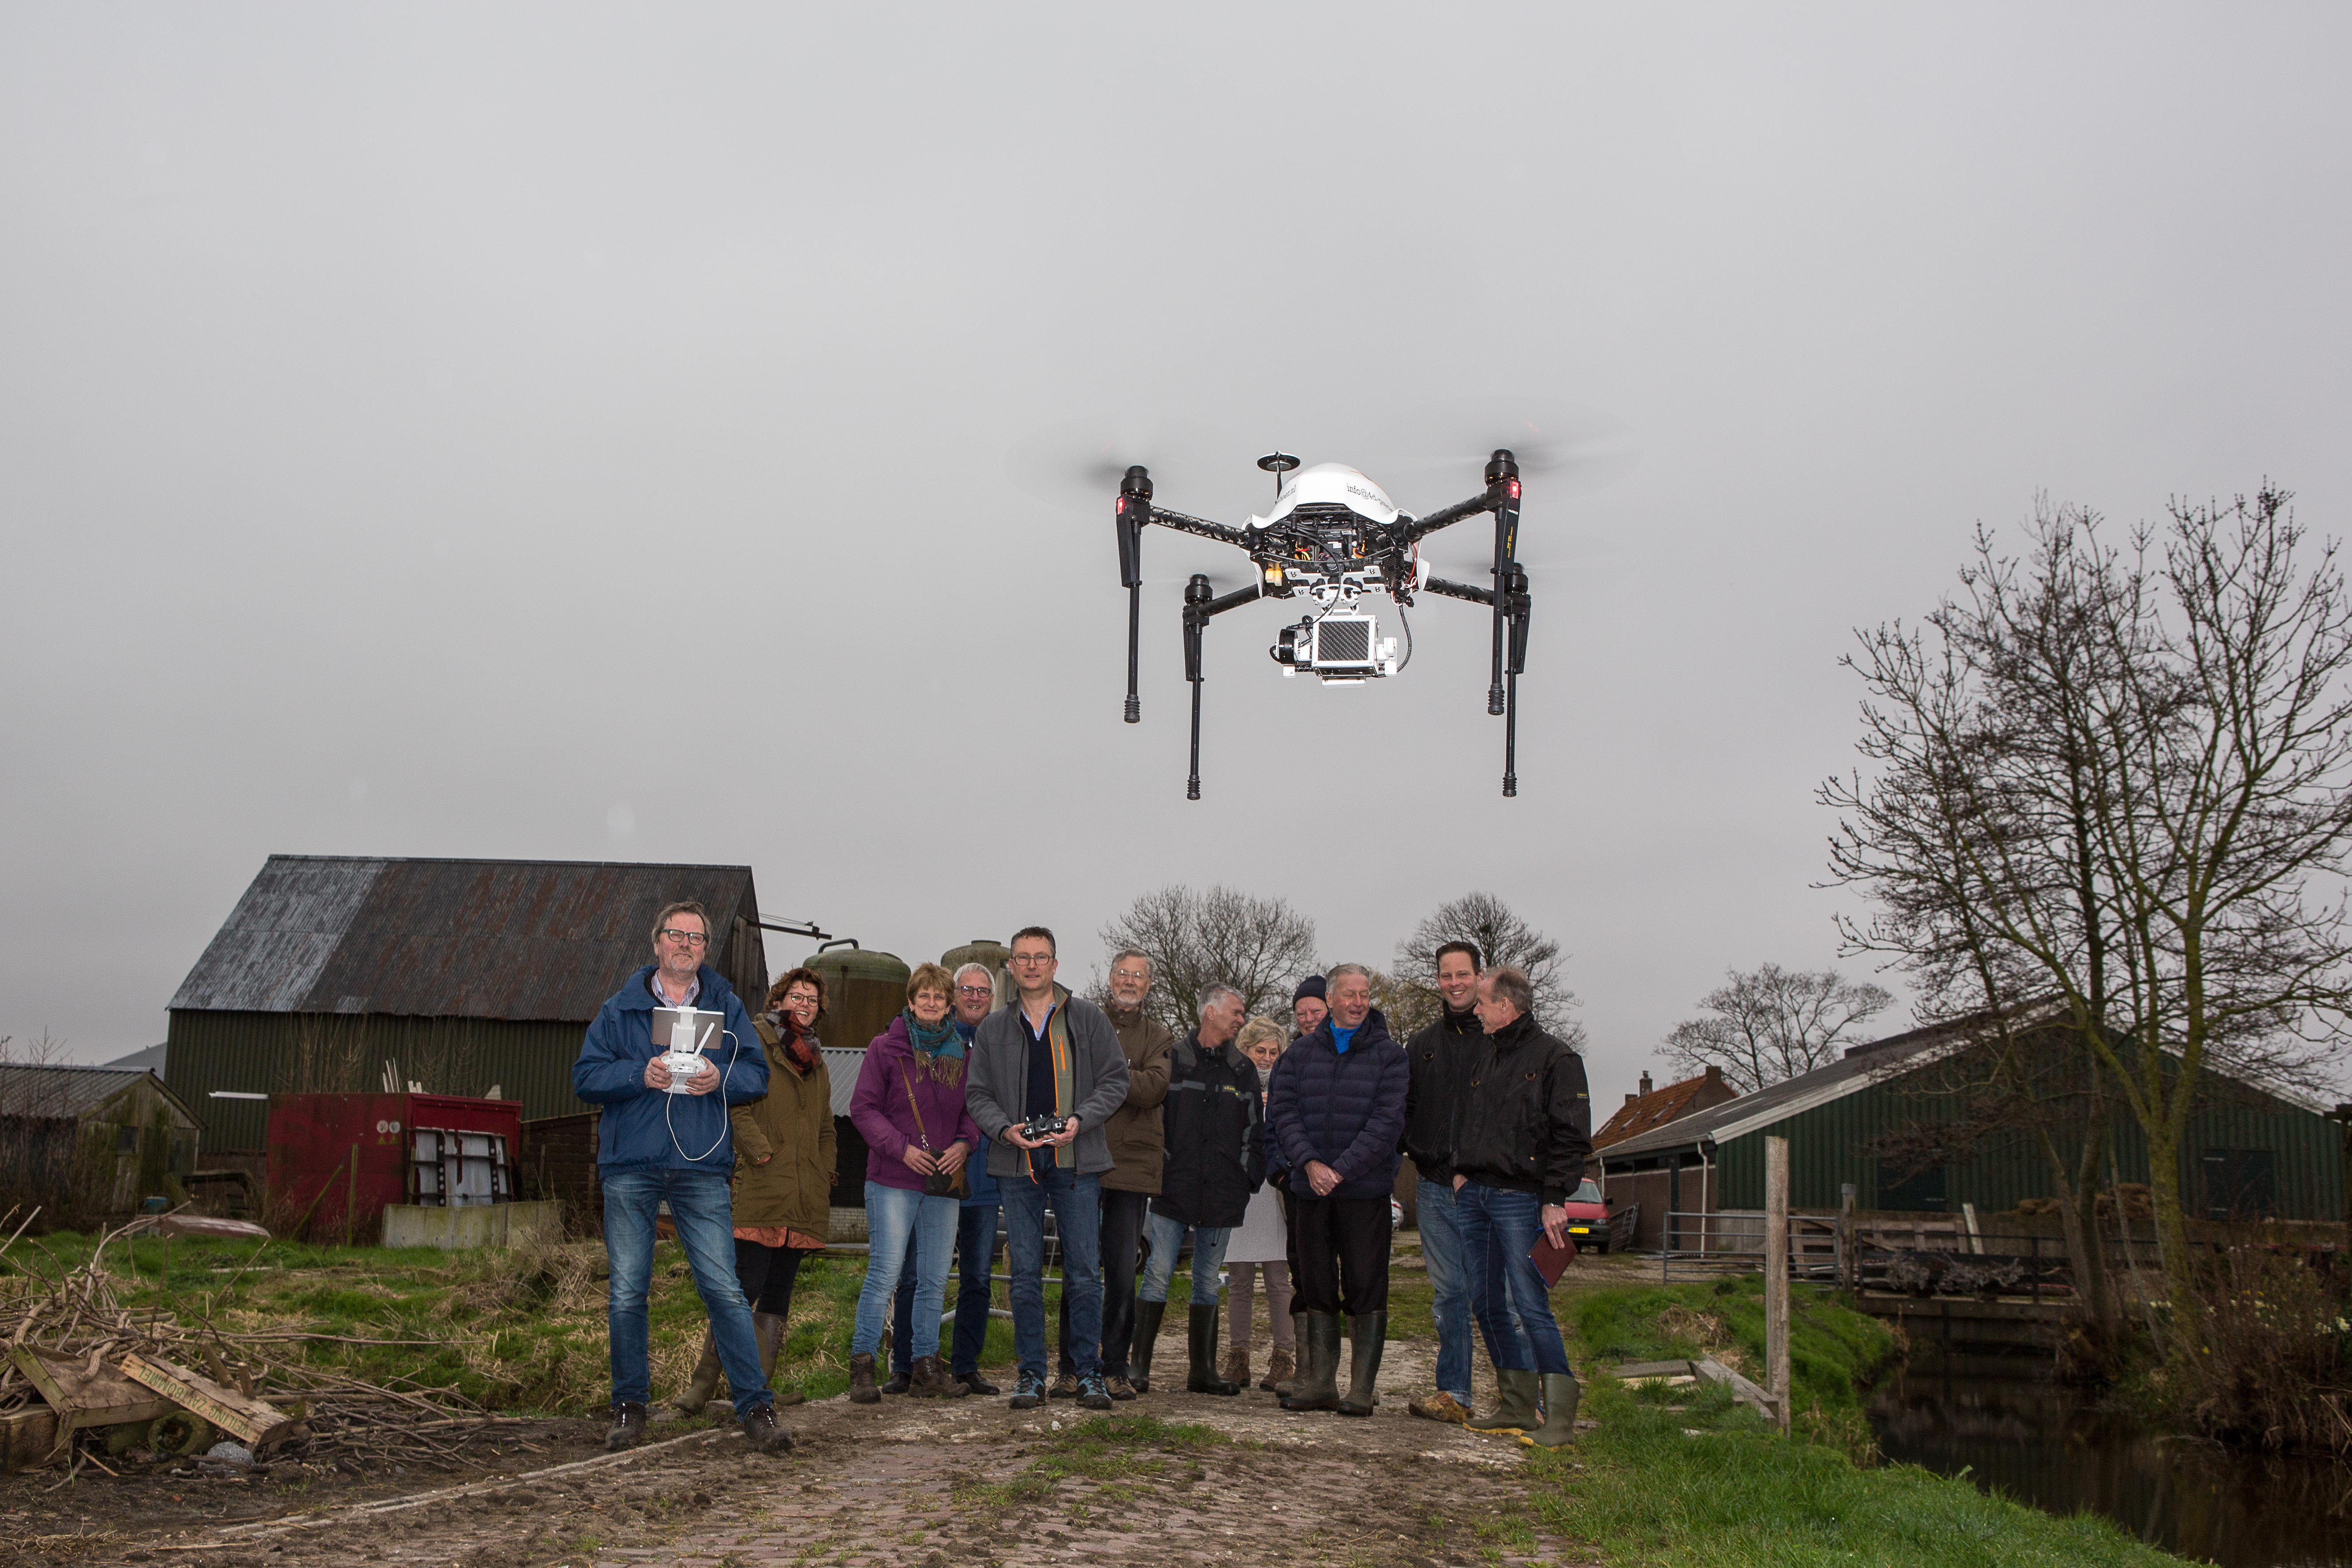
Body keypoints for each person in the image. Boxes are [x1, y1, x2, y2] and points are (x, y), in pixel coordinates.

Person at [571, 901, 791, 1453]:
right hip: (631, 1166)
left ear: (704, 949)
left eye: (696, 937)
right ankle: (629, 1406)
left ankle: (755, 1408)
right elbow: (585, 1077)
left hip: (700, 1165)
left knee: (723, 1288)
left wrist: (720, 1076)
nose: (685, 944)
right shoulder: (619, 1009)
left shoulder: (728, 1005)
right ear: (657, 943)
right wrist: (635, 1073)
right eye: (676, 934)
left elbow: (755, 1076)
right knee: (627, 1292)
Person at [965, 926, 1131, 1411]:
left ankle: (1086, 1374)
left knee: (1083, 1271)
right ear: (1011, 968)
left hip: (1076, 1160)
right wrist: (1003, 1129)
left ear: (1055, 965)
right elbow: (978, 1094)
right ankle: (1031, 1375)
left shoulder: (1087, 1018)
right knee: (1024, 1276)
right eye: (1022, 958)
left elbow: (1115, 1080)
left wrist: (1081, 1119)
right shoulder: (994, 1027)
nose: (1032, 965)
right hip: (1017, 1162)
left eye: (1041, 957)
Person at [666, 966, 834, 1420]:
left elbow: (825, 1125)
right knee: (741, 1286)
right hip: (762, 1184)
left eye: (812, 999)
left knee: (778, 1291)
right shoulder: (754, 1040)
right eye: (796, 995)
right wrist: (761, 1155)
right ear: (778, 999)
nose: (804, 1003)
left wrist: (824, 1169)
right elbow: (734, 1104)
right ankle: (700, 1388)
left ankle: (759, 1389)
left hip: (803, 1193)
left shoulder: (816, 1060)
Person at [1452, 966, 1593, 1448]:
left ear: (1506, 1007)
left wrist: (1555, 1197)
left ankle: (1558, 1421)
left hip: (1522, 1200)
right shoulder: (1484, 1056)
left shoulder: (1557, 1058)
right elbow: (1466, 1117)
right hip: (1475, 1196)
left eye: (1483, 1002)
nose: (1476, 1010)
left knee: (1531, 1305)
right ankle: (1515, 1405)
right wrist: (1459, 1170)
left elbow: (1571, 1135)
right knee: (1486, 1303)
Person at [1266, 963, 1408, 1417]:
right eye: (1349, 993)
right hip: (1310, 1191)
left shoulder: (1390, 1056)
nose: (1358, 1001)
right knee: (1316, 1283)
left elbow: (1387, 1122)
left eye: (1364, 993)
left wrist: (1340, 1169)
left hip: (1363, 1191)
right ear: (1329, 1000)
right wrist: (1308, 1163)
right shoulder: (1299, 1055)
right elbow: (1283, 1113)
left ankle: (1361, 1388)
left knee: (1366, 1284)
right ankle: (1321, 1383)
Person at [847, 964, 980, 1402]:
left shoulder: (960, 1052)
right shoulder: (885, 1048)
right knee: (885, 1273)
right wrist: (902, 1148)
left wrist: (965, 1142)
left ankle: (926, 1367)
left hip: (942, 1180)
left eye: (939, 997)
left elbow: (970, 1110)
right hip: (893, 1177)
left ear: (949, 1004)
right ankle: (863, 1364)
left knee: (935, 1277)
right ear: (910, 1000)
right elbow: (863, 1109)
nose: (931, 1003)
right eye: (923, 995)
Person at [1131, 984, 1264, 1396]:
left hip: (1224, 1192)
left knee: (1207, 1280)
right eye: (1236, 1012)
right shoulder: (1172, 1061)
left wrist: (1246, 1180)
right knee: (1157, 1274)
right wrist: (1163, 1168)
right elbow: (1153, 1122)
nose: (1241, 1020)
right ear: (1211, 1012)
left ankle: (1203, 1371)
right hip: (1174, 1188)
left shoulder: (1242, 1070)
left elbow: (1254, 1133)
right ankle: (1137, 1367)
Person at [887, 961, 1007, 1396]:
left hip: (981, 1178)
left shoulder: (1001, 1042)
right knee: (916, 1274)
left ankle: (965, 1366)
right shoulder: (932, 1036)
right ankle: (906, 1365)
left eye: (982, 991)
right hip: (931, 1179)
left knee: (976, 1277)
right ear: (954, 995)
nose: (974, 997)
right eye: (967, 990)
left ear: (992, 998)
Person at [1055, 949, 1170, 1400]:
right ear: (1109, 978)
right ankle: (1069, 1366)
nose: (1128, 981)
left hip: (1132, 1168)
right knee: (1079, 1270)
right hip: (1081, 1159)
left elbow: (1154, 1088)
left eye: (1137, 976)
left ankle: (1115, 1367)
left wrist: (1110, 1073)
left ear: (1147, 984)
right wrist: (1125, 1077)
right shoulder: (1078, 1021)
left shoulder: (1159, 1035)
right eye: (1122, 973)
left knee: (1123, 1273)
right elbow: (1068, 1078)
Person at [1402, 940, 1487, 1425]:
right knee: (1449, 1294)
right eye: (1445, 975)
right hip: (1433, 1188)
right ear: (1437, 979)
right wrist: (1420, 1153)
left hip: (1489, 1190)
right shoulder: (1422, 1044)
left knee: (1505, 1296)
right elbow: (1406, 1109)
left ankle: (1527, 1397)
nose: (1454, 983)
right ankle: (1454, 1391)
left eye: (1462, 974)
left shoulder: (1500, 1038)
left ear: (1479, 976)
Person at [1223, 1015, 1295, 1391]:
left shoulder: (1291, 1085)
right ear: (1245, 1052)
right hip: (1241, 1189)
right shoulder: (1232, 1083)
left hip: (1276, 1191)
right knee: (1238, 1280)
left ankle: (1285, 1357)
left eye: (1273, 1051)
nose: (1266, 1058)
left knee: (1278, 1279)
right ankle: (1238, 1356)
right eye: (1259, 1051)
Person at [1291, 976, 1329, 1040]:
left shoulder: (1350, 1048)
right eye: (1302, 1014)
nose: (1309, 1019)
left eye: (1316, 1011)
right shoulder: (1292, 1050)